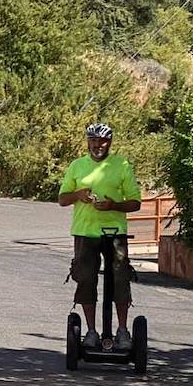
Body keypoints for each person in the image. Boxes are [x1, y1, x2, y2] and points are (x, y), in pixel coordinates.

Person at [58, 122, 143, 349]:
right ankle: (91, 331)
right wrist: (77, 194)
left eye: (103, 141)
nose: (98, 145)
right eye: (94, 140)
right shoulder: (77, 166)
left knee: (120, 279)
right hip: (85, 233)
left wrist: (113, 205)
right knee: (86, 279)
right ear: (88, 142)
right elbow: (62, 199)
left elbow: (135, 202)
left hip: (115, 233)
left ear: (110, 142)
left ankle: (123, 331)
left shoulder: (122, 165)